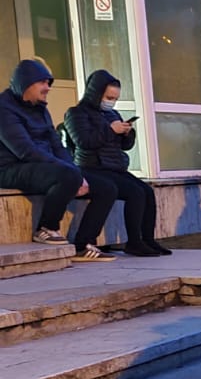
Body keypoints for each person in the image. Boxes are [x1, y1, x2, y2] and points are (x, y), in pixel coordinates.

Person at [0, 59, 116, 261]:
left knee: (107, 188)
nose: (48, 88)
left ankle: (83, 245)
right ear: (26, 83)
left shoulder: (40, 109)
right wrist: (71, 174)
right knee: (68, 175)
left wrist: (76, 171)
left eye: (48, 83)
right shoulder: (4, 109)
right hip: (11, 168)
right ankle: (46, 228)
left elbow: (57, 145)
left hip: (43, 166)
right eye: (42, 82)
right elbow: (25, 151)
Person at [64, 69, 168, 257]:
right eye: (109, 97)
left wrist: (127, 133)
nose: (111, 102)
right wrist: (111, 130)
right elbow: (84, 141)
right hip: (91, 167)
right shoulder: (76, 113)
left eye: (115, 99)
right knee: (134, 193)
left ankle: (148, 239)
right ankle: (134, 242)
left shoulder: (113, 114)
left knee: (146, 191)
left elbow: (124, 146)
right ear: (96, 93)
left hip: (115, 167)